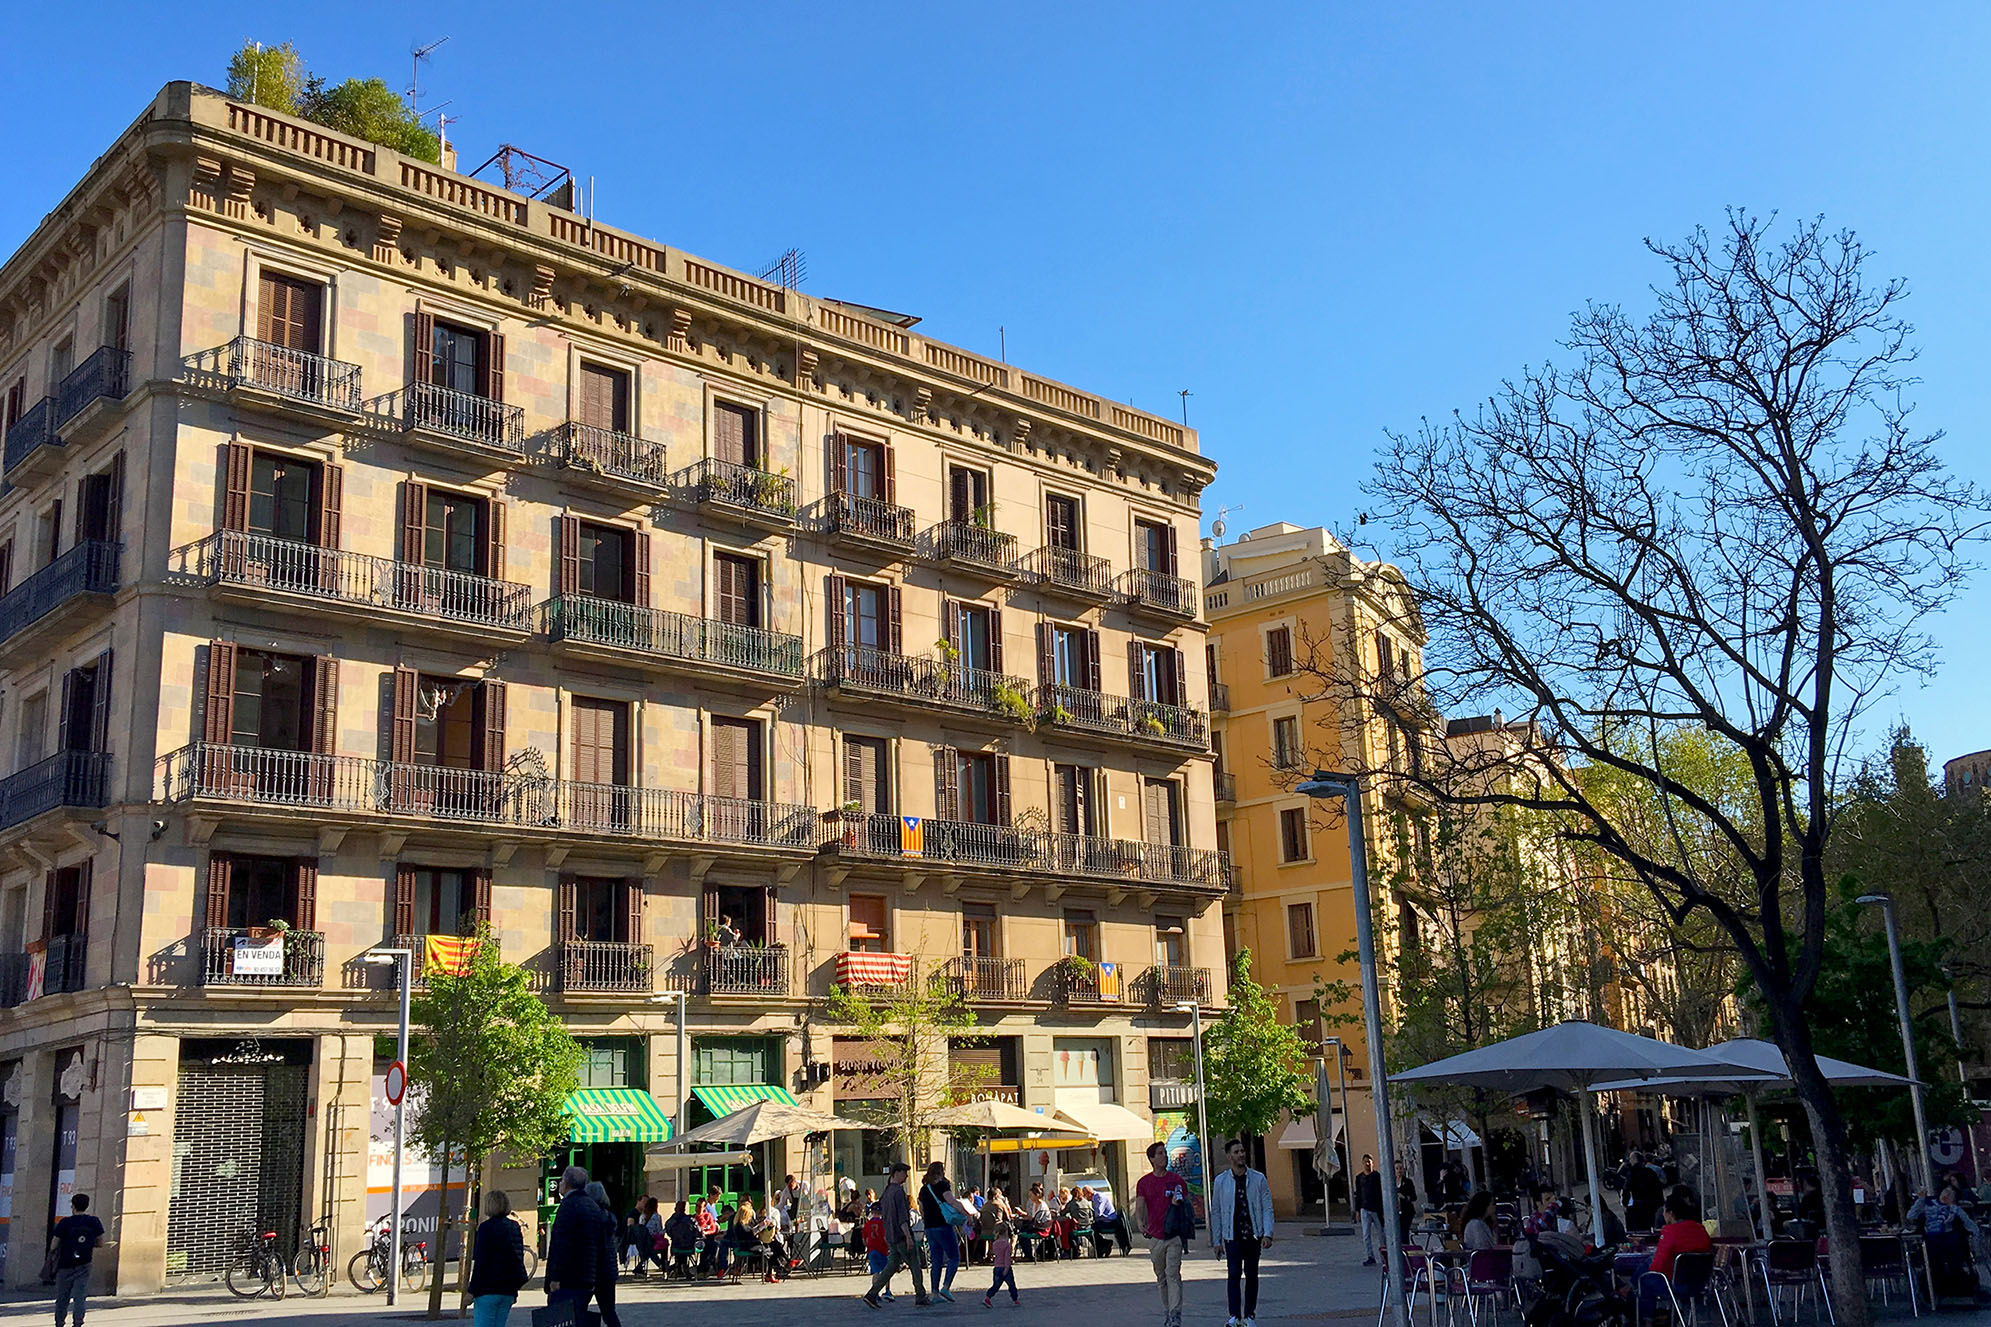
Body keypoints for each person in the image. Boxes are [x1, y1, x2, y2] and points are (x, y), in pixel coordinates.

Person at [1210, 1138, 1275, 1327]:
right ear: (1229, 1156)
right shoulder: (1221, 1182)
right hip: (1232, 1236)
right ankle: (1234, 1316)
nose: (1241, 1154)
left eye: (1242, 1151)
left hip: (1253, 1235)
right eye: (1237, 1152)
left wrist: (1267, 1233)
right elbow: (1217, 1211)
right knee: (1234, 1274)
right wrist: (1216, 1240)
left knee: (1252, 1275)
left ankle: (1250, 1315)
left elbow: (1267, 1207)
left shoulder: (1258, 1178)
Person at [1134, 1138, 1193, 1327]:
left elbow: (1186, 1203)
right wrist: (1140, 1221)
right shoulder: (1144, 1182)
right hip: (1155, 1235)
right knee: (1161, 1277)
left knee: (1173, 1273)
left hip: (1173, 1234)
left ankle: (1176, 1313)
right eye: (1160, 1154)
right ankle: (1168, 1310)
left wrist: (1179, 1203)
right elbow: (1140, 1204)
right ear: (1151, 1158)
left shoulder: (1176, 1180)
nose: (1164, 1157)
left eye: (1165, 1153)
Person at [545, 1166, 611, 1321]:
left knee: (562, 1319)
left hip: (569, 1277)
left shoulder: (568, 1206)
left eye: (561, 1180)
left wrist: (555, 1277)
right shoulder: (592, 1206)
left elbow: (562, 1245)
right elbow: (601, 1244)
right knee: (578, 1317)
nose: (560, 1184)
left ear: (566, 1183)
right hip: (587, 1277)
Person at [863, 1161, 931, 1308]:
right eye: (904, 1173)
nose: (906, 1176)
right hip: (901, 1235)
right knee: (914, 1264)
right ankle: (920, 1294)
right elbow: (902, 1217)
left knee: (892, 1265)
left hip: (890, 1235)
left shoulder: (886, 1192)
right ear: (897, 1173)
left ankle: (872, 1294)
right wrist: (908, 1236)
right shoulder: (898, 1192)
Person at [1908, 1183, 1982, 1300]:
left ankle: (1956, 1285)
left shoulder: (1955, 1209)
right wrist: (1920, 1200)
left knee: (1951, 1251)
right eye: (1945, 1192)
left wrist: (1976, 1247)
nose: (1946, 1195)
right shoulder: (1928, 1205)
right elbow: (1911, 1215)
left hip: (1948, 1242)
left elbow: (1971, 1226)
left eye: (1950, 1194)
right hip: (1931, 1241)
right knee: (1934, 1258)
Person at [468, 1190, 530, 1327]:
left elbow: (481, 1263)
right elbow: (516, 1258)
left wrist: (472, 1291)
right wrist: (514, 1290)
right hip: (507, 1290)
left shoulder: (485, 1228)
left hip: (487, 1289)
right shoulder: (514, 1227)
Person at [49, 1193, 103, 1327]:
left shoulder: (64, 1223)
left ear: (72, 1206)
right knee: (80, 1297)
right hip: (84, 1263)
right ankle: (78, 1323)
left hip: (65, 1264)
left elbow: (54, 1245)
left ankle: (60, 1322)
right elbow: (100, 1242)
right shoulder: (93, 1221)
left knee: (62, 1297)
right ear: (87, 1206)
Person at [920, 1160, 966, 1300]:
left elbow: (921, 1210)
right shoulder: (942, 1185)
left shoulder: (924, 1189)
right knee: (954, 1257)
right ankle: (945, 1287)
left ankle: (934, 1292)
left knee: (936, 1260)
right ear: (941, 1172)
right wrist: (966, 1213)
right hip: (943, 1225)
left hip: (929, 1227)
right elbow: (951, 1201)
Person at [585, 1181, 624, 1327]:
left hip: (593, 1270)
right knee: (609, 1312)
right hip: (608, 1270)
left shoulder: (591, 1216)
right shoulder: (610, 1216)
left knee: (578, 1309)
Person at [1649, 1189, 1713, 1278]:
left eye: (1664, 1211)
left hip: (1672, 1282)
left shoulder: (1669, 1232)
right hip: (1700, 1281)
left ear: (1670, 1213)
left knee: (1648, 1262)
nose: (1663, 1214)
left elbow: (1658, 1265)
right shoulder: (1700, 1229)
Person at [1353, 1154, 1385, 1267]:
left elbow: (1382, 1193)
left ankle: (1384, 1256)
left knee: (1381, 1234)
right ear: (1363, 1163)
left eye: (1369, 1162)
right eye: (1365, 1162)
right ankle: (1370, 1256)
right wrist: (1357, 1211)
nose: (1367, 1164)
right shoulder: (1359, 1178)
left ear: (1373, 1163)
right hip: (1364, 1208)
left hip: (1376, 1209)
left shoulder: (1377, 1176)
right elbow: (1358, 1195)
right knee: (1366, 1235)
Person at [1624, 1150, 1665, 1232]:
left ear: (1634, 1160)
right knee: (1650, 1226)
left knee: (1639, 1228)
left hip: (1638, 1205)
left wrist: (1625, 1203)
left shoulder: (1632, 1173)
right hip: (1651, 1205)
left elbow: (1626, 1189)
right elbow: (1658, 1188)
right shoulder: (1650, 1172)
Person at [863, 1201, 896, 1301]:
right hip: (882, 1250)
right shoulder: (883, 1224)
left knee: (875, 1272)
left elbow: (864, 1239)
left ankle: (875, 1292)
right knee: (886, 1271)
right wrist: (890, 1246)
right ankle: (887, 1290)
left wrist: (868, 1247)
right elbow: (885, 1237)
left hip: (872, 1250)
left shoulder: (867, 1224)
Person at [984, 1219, 1020, 1307]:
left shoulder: (995, 1243)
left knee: (996, 1285)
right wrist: (1007, 1268)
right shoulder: (1006, 1244)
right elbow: (1007, 1258)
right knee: (1011, 1285)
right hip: (1005, 1267)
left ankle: (988, 1297)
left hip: (997, 1267)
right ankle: (1015, 1299)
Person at [664, 1199, 700, 1280]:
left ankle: (678, 1267)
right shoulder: (691, 1219)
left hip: (675, 1248)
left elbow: (668, 1231)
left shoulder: (670, 1221)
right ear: (684, 1209)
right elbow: (698, 1231)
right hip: (689, 1248)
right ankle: (682, 1267)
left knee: (678, 1246)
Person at [1091, 1183, 1130, 1255]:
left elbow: (1098, 1213)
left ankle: (1104, 1244)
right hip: (1107, 1220)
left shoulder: (1099, 1197)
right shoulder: (1098, 1196)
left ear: (1088, 1193)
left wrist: (1090, 1210)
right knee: (1092, 1228)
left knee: (1091, 1229)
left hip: (1109, 1222)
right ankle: (1102, 1246)